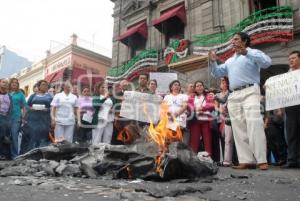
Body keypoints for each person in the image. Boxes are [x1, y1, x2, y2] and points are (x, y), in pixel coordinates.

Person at [209, 32, 271, 170]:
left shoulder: (253, 52)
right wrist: (213, 61)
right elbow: (217, 73)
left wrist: (247, 53)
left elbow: (267, 62)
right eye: (233, 40)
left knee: (254, 124)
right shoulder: (230, 60)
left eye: (236, 39)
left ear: (245, 41)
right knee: (238, 128)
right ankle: (247, 160)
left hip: (250, 91)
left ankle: (261, 160)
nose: (233, 42)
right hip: (234, 95)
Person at [283, 50, 300, 168]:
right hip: (291, 107)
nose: (290, 60)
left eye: (293, 58)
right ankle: (292, 160)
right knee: (291, 134)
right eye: (289, 58)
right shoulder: (286, 75)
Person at [187, 81, 214, 155]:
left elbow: (211, 105)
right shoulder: (192, 97)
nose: (199, 87)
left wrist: (202, 108)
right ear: (195, 88)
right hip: (195, 120)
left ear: (203, 86)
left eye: (200, 85)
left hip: (205, 120)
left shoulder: (208, 95)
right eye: (197, 86)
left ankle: (208, 157)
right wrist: (195, 109)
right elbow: (189, 106)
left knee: (207, 140)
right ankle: (193, 158)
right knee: (194, 140)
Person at [25, 80, 53, 151]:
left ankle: (41, 153)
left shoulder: (49, 97)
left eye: (46, 85)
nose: (45, 86)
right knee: (33, 136)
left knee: (43, 136)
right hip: (33, 119)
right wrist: (31, 108)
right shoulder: (33, 96)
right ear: (39, 86)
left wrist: (47, 109)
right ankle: (31, 152)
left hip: (45, 119)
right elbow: (27, 106)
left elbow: (53, 107)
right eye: (43, 84)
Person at [163, 80, 189, 144]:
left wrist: (175, 114)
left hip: (180, 120)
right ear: (171, 87)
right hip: (169, 120)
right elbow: (164, 108)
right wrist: (169, 114)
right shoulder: (167, 97)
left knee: (179, 140)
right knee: (170, 140)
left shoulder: (184, 96)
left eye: (178, 85)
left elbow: (184, 106)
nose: (177, 86)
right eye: (175, 85)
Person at [215, 77, 233, 166]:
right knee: (227, 139)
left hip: (233, 116)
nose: (223, 83)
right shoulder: (217, 95)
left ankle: (237, 159)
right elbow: (215, 106)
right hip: (223, 118)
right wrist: (220, 110)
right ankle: (226, 160)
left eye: (224, 81)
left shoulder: (232, 92)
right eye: (221, 81)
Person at [9, 78, 27, 159]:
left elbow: (24, 107)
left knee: (14, 136)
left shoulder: (20, 94)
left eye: (16, 83)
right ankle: (5, 154)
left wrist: (23, 117)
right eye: (13, 82)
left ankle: (15, 155)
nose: (14, 84)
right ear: (10, 84)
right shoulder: (6, 92)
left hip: (16, 117)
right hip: (5, 117)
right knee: (4, 135)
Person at [0, 79, 12, 159]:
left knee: (5, 136)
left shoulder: (9, 96)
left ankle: (4, 154)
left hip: (6, 117)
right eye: (3, 82)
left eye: (6, 83)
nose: (5, 84)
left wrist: (9, 117)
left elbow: (11, 107)